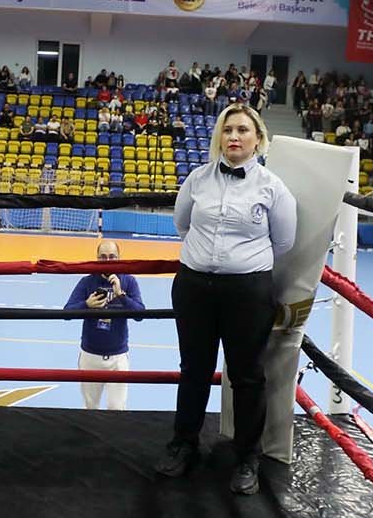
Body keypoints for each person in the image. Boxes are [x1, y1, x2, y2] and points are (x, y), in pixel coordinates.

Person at [158, 104, 296, 496]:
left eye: (243, 130)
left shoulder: (272, 187)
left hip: (247, 291)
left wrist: (240, 263)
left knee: (248, 375)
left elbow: (283, 241)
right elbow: (182, 225)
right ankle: (184, 443)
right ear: (219, 137)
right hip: (195, 287)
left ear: (258, 138)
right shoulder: (198, 179)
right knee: (194, 368)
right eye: (228, 130)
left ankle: (247, 457)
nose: (234, 137)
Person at [64, 240, 146, 411]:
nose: (108, 261)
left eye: (112, 257)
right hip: (90, 356)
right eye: (103, 257)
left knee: (117, 408)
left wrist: (121, 295)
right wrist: (86, 305)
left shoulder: (128, 281)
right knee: (90, 407)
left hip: (118, 358)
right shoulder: (87, 281)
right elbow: (67, 313)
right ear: (96, 258)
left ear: (119, 258)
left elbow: (140, 314)